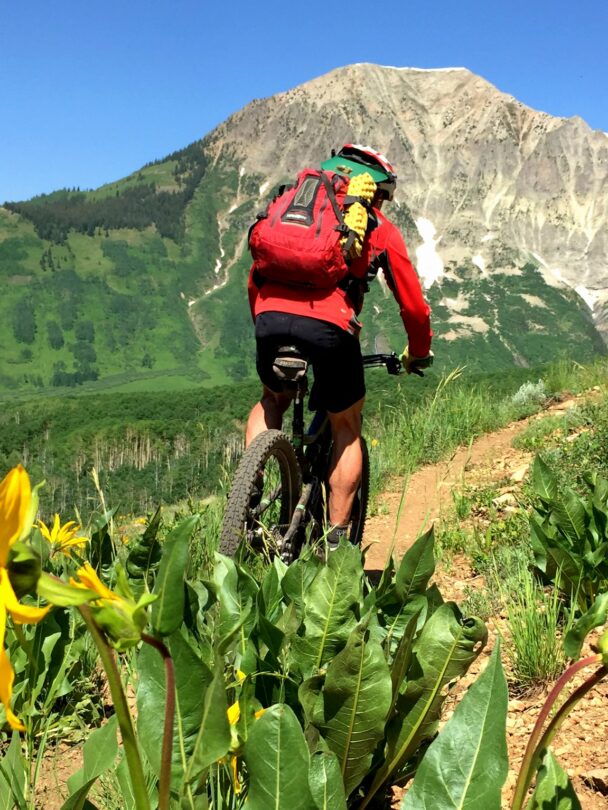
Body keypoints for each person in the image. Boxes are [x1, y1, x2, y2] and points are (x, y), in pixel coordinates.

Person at [245, 144, 433, 547]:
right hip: (330, 327)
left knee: (272, 399)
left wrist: (264, 323)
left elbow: (255, 275)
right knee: (346, 425)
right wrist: (418, 351)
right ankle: (335, 544)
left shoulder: (292, 206)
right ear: (373, 189)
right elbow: (413, 307)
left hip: (269, 319)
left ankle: (246, 498)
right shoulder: (374, 224)